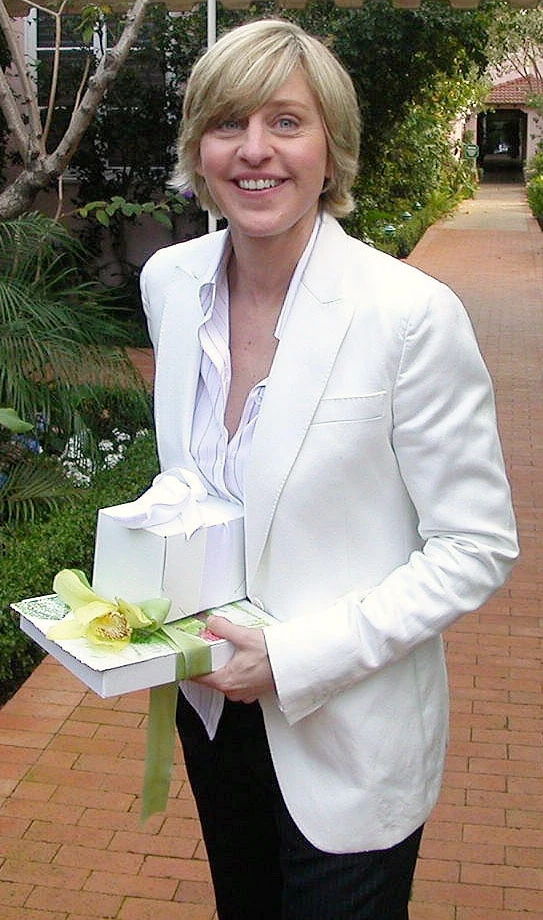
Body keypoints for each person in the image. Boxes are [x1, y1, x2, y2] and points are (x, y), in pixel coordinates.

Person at [139, 18, 518, 920]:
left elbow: (474, 546)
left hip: (350, 734)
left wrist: (293, 657)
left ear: (329, 148)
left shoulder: (407, 315)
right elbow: (203, 482)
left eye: (285, 122)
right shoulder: (171, 282)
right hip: (213, 712)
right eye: (227, 123)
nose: (254, 150)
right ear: (198, 149)